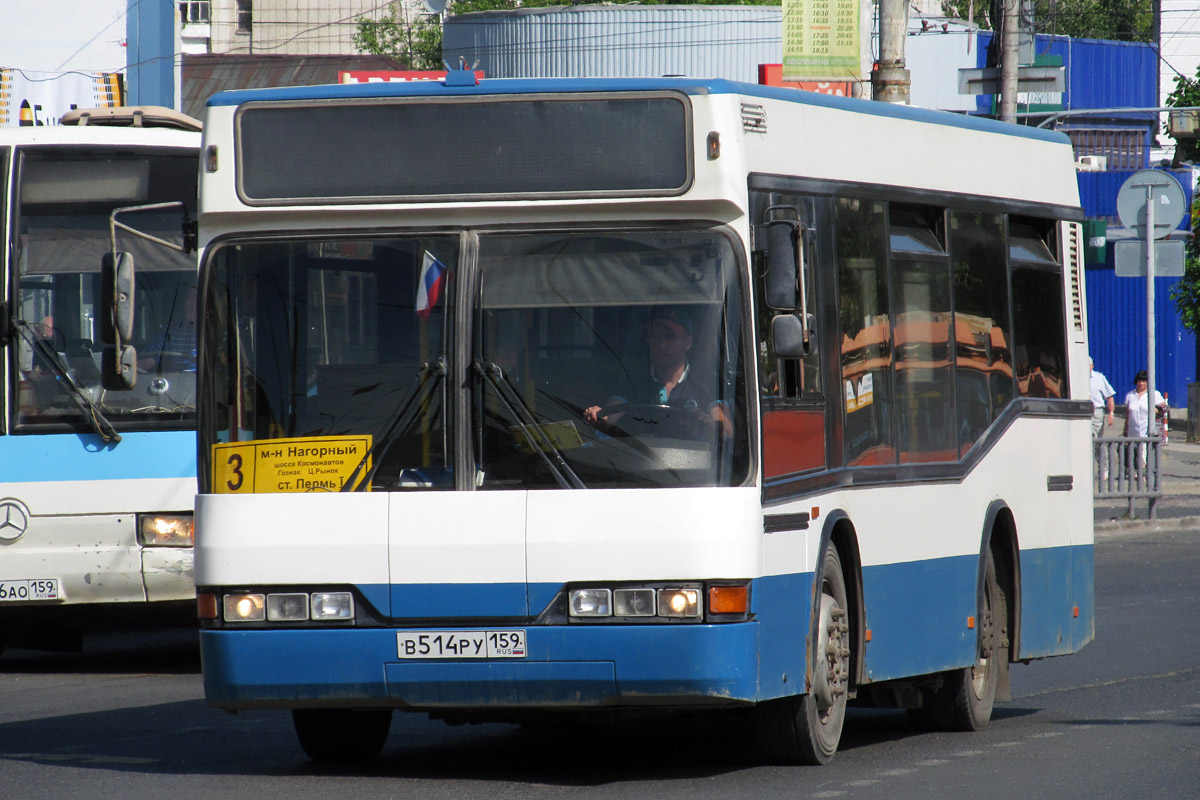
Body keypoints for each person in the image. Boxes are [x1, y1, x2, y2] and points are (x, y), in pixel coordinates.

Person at [583, 307, 729, 437]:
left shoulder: (708, 382)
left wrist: (705, 421)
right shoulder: (633, 382)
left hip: (697, 464)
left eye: (670, 337)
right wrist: (598, 416)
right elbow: (609, 416)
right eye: (655, 336)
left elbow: (726, 430)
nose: (661, 345)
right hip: (641, 462)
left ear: (688, 342)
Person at [139, 285, 198, 373]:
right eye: (187, 298)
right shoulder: (170, 333)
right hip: (178, 384)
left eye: (193, 298)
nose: (186, 304)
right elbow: (147, 358)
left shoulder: (220, 336)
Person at [1089, 360, 1115, 437]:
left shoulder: (1099, 378)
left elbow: (1109, 397)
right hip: (1081, 411)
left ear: (1092, 366)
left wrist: (1111, 413)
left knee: (1095, 437)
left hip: (1096, 412)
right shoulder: (1077, 378)